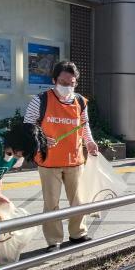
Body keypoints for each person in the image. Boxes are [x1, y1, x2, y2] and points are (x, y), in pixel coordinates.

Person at [24, 61, 98, 252]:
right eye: (63, 82)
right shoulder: (40, 100)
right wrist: (42, 138)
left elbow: (84, 125)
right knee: (51, 203)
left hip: (75, 160)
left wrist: (89, 142)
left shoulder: (80, 102)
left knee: (78, 200)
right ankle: (53, 240)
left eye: (72, 83)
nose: (68, 87)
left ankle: (78, 233)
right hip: (49, 162)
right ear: (54, 80)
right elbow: (28, 127)